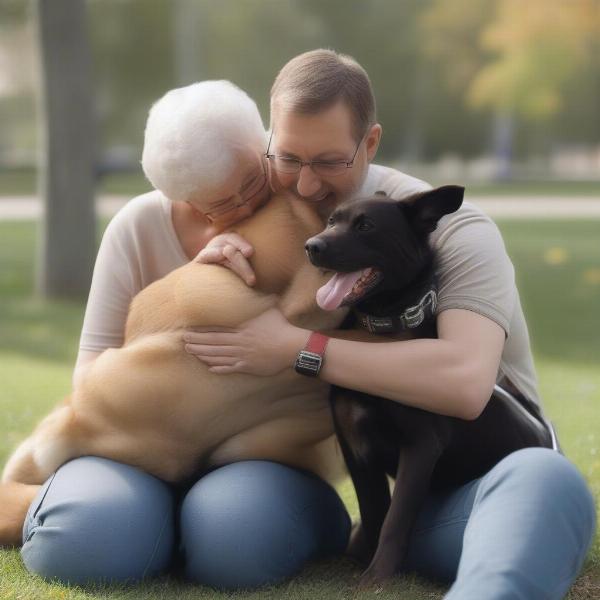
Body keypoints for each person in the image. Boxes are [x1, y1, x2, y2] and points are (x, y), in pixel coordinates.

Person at [184, 50, 597, 599]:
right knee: (232, 535)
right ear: (268, 144)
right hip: (384, 503)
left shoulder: (454, 232)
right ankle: (353, 536)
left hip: (490, 487)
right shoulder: (269, 224)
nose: (306, 185)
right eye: (288, 158)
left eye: (329, 161)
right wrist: (207, 272)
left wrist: (299, 348)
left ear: (370, 143)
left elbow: (465, 384)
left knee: (545, 481)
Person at [20, 80, 350, 589]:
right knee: (80, 544)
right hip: (143, 451)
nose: (243, 207)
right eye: (216, 204)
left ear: (264, 145)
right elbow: (91, 371)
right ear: (178, 195)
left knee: (237, 545)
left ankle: (190, 524)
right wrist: (190, 285)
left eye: (252, 182)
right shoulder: (138, 224)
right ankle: (145, 519)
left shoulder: (307, 204)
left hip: (263, 452)